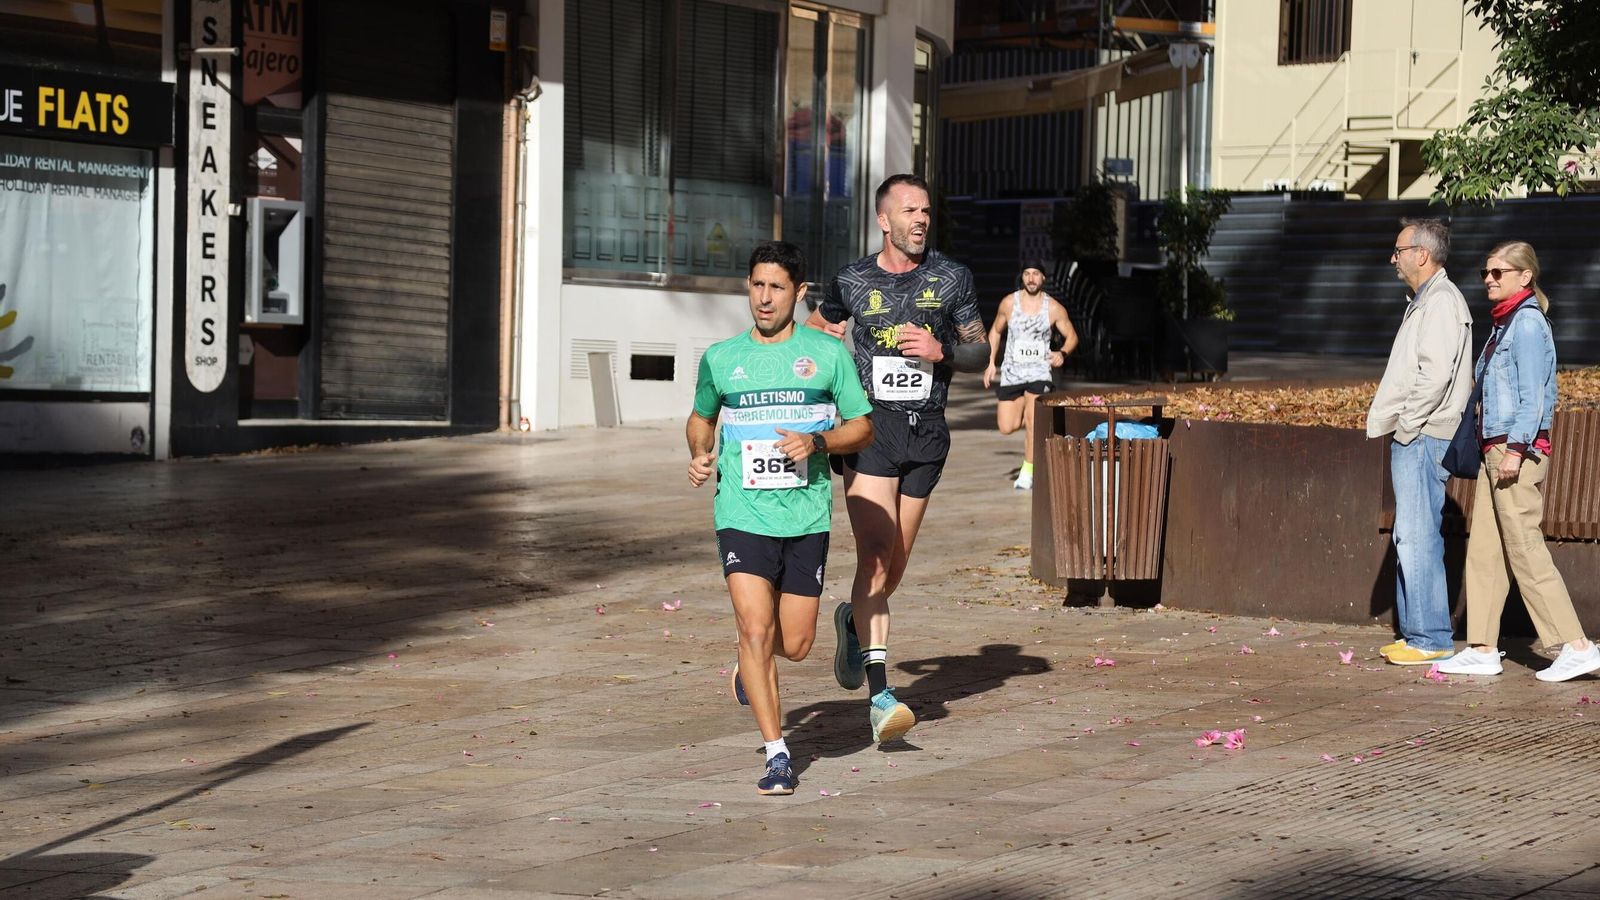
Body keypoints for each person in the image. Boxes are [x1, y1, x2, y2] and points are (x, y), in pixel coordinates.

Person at [806, 173, 988, 744]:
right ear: (884, 220)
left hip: (927, 432)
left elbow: (982, 349)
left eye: (927, 211)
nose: (921, 220)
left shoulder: (952, 277)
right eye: (910, 211)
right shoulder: (853, 279)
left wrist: (944, 352)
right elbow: (819, 331)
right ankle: (882, 694)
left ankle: (852, 623)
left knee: (895, 568)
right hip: (871, 432)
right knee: (876, 559)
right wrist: (828, 387)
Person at [687, 241, 874, 794]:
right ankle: (777, 755)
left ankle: (753, 657)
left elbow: (861, 426)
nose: (764, 298)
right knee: (754, 625)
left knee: (793, 644)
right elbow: (700, 420)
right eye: (756, 285)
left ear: (798, 293)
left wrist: (818, 440)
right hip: (741, 510)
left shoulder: (828, 354)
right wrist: (700, 451)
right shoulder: (721, 357)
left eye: (776, 287)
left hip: (807, 514)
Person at [1437, 242, 1599, 681]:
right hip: (1497, 449)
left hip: (1515, 452)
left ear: (1524, 277)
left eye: (1498, 272)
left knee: (1524, 547)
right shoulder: (1503, 324)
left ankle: (1576, 644)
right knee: (1487, 550)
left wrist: (1516, 449)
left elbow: (1535, 398)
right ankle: (1483, 647)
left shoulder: (1526, 325)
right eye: (1486, 272)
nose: (1489, 279)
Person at [1367, 217, 1473, 666]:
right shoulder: (1425, 300)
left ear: (1422, 254)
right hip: (1420, 431)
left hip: (1426, 433)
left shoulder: (1442, 301)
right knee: (1408, 536)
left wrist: (1408, 424)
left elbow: (1436, 374)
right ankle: (1415, 635)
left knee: (1418, 536)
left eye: (1399, 251)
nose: (1394, 259)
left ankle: (1430, 637)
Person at [983, 261, 1078, 491]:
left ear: (1043, 278)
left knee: (1033, 422)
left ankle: (1027, 471)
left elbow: (1072, 337)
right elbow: (995, 331)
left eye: (1036, 274)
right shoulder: (1009, 303)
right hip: (1012, 373)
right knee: (1006, 426)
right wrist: (990, 362)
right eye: (1027, 274)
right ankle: (1035, 426)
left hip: (1039, 372)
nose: (1031, 278)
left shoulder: (1053, 308)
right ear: (1022, 277)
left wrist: (1062, 353)